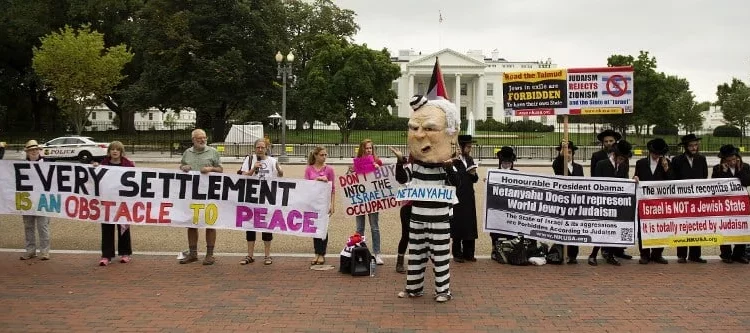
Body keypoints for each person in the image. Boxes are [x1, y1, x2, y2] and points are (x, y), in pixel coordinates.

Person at [392, 94, 460, 303]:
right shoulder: (417, 166)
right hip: (417, 217)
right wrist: (400, 162)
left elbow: (456, 183)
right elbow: (403, 179)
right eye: (414, 128)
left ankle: (443, 291)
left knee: (440, 257)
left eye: (429, 128)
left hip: (439, 218)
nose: (420, 135)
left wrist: (449, 167)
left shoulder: (447, 166)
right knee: (416, 255)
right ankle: (414, 288)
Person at [179, 129, 223, 265]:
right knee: (191, 223)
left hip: (209, 193)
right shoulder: (187, 152)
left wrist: (211, 169)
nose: (202, 140)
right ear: (193, 140)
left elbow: (220, 169)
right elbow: (181, 165)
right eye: (199, 138)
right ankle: (193, 253)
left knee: (210, 222)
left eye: (204, 138)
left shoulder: (213, 152)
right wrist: (183, 167)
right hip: (192, 193)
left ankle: (210, 254)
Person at [238, 138, 284, 266]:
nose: (260, 149)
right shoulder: (250, 159)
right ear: (254, 148)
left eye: (262, 147)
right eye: (258, 147)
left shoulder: (272, 161)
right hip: (251, 197)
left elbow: (279, 176)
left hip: (266, 197)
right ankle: (250, 255)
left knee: (266, 226)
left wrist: (279, 170)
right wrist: (253, 169)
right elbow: (243, 176)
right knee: (250, 226)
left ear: (266, 148)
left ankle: (267, 255)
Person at [588, 140, 633, 266]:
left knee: (615, 230)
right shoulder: (602, 164)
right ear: (614, 155)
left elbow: (625, 183)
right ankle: (593, 254)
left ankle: (611, 255)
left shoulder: (623, 166)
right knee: (602, 230)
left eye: (624, 159)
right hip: (604, 203)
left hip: (617, 203)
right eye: (620, 158)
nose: (622, 161)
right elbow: (596, 183)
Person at [94, 141, 135, 266]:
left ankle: (125, 253)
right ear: (109, 151)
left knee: (123, 228)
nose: (115, 151)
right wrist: (95, 168)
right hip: (107, 201)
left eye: (117, 149)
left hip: (123, 202)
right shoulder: (104, 164)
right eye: (112, 149)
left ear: (121, 152)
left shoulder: (128, 164)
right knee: (107, 228)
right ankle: (106, 255)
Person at [633, 138, 672, 265]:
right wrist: (635, 178)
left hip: (661, 202)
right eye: (655, 153)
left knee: (660, 227)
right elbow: (636, 178)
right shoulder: (641, 163)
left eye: (659, 154)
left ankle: (657, 253)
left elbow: (673, 181)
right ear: (650, 152)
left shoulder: (666, 162)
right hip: (645, 201)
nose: (657, 156)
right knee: (643, 227)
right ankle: (644, 254)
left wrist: (666, 168)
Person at [671, 134, 709, 264]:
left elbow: (704, 177)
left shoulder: (702, 159)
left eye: (695, 145)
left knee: (696, 226)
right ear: (686, 147)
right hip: (682, 198)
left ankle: (695, 255)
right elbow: (673, 179)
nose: (694, 148)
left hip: (697, 199)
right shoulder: (677, 160)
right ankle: (681, 255)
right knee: (683, 225)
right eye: (691, 146)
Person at [711, 144, 750, 264]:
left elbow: (746, 181)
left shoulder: (745, 167)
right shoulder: (717, 168)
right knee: (725, 227)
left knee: (741, 227)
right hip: (725, 204)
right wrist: (724, 171)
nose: (732, 162)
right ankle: (726, 254)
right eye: (729, 160)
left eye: (734, 159)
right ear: (724, 160)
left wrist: (738, 169)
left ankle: (739, 254)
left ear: (737, 157)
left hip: (741, 203)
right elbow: (714, 185)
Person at [350, 139, 385, 265]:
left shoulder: (378, 161)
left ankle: (377, 253)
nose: (369, 150)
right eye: (366, 148)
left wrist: (378, 169)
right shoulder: (357, 162)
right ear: (362, 149)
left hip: (373, 198)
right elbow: (348, 181)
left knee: (374, 227)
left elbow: (385, 179)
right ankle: (360, 252)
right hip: (360, 198)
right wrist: (351, 171)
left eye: (370, 148)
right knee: (360, 228)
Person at [552, 140, 584, 264]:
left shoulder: (579, 168)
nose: (568, 155)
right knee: (562, 227)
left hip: (575, 202)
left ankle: (573, 254)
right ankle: (560, 252)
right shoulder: (559, 164)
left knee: (574, 228)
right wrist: (561, 154)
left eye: (569, 152)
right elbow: (556, 164)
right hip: (562, 201)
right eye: (565, 152)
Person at [19, 140, 51, 261]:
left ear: (39, 150)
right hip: (27, 199)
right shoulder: (20, 165)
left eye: (35, 149)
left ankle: (45, 251)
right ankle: (30, 250)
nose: (34, 151)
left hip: (43, 199)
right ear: (27, 152)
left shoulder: (47, 163)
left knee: (43, 226)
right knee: (28, 226)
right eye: (31, 150)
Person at [304, 146, 336, 265]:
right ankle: (316, 253)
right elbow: (305, 185)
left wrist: (332, 204)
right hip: (313, 202)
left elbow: (333, 189)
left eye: (325, 155)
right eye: (322, 155)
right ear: (316, 156)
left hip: (324, 202)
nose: (324, 157)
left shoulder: (329, 170)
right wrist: (316, 180)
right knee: (314, 228)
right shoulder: (309, 169)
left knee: (323, 227)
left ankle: (322, 253)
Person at [450, 135, 479, 263]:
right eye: (468, 147)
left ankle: (469, 252)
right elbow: (452, 177)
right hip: (458, 195)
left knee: (469, 223)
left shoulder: (470, 159)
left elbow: (475, 178)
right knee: (458, 223)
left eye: (470, 147)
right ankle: (457, 252)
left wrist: (473, 174)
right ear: (461, 147)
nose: (470, 149)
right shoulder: (454, 160)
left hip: (468, 195)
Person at [490, 146, 518, 261]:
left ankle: (509, 250)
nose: (507, 165)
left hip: (511, 207)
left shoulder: (517, 174)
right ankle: (495, 249)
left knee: (511, 230)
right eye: (505, 162)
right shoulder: (494, 173)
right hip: (497, 207)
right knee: (496, 230)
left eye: (509, 162)